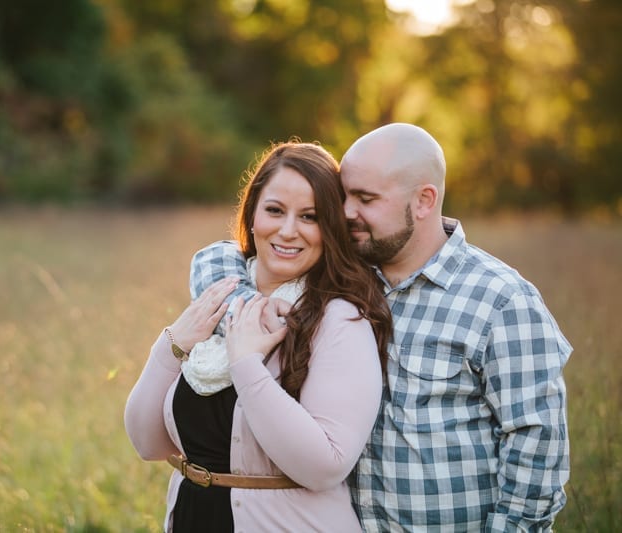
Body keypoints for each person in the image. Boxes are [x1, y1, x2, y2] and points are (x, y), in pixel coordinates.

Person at [189, 123, 572, 531]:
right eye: (344, 196)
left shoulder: (500, 300)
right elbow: (227, 255)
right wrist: (249, 309)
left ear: (424, 200)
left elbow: (535, 444)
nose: (347, 212)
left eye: (365, 199)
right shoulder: (341, 274)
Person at [124, 141, 393, 532]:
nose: (287, 231)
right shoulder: (218, 299)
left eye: (309, 217)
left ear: (331, 228)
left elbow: (324, 467)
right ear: (252, 214)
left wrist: (247, 365)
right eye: (274, 210)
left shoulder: (339, 320)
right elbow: (149, 444)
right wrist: (171, 346)